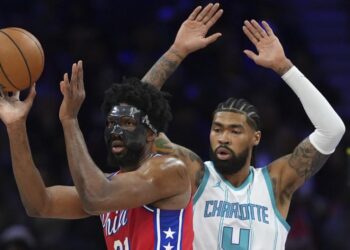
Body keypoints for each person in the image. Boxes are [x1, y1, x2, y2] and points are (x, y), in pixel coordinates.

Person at [0, 3, 222, 250]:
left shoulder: (169, 170)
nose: (116, 130)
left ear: (152, 135)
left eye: (126, 124)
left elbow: (97, 196)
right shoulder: (111, 184)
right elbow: (39, 204)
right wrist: (15, 126)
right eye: (111, 124)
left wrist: (70, 121)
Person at [143, 18, 346, 250]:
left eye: (235, 130)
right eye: (217, 129)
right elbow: (135, 117)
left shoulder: (275, 182)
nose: (223, 137)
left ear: (255, 138)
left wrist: (284, 67)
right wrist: (176, 52)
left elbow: (332, 129)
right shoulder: (195, 175)